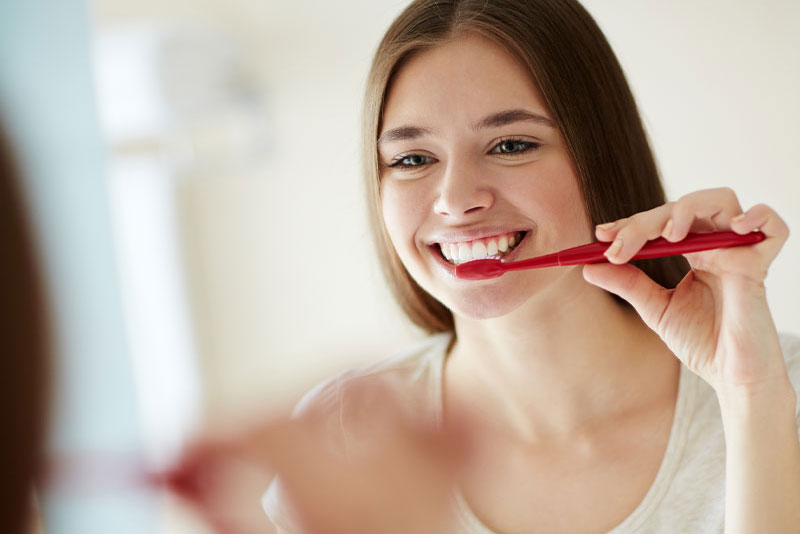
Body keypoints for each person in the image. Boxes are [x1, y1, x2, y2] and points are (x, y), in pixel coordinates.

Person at [167, 1, 800, 533]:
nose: (455, 199)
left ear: (599, 155)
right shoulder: (342, 437)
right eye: (413, 159)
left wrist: (750, 396)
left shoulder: (779, 388)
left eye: (511, 145)